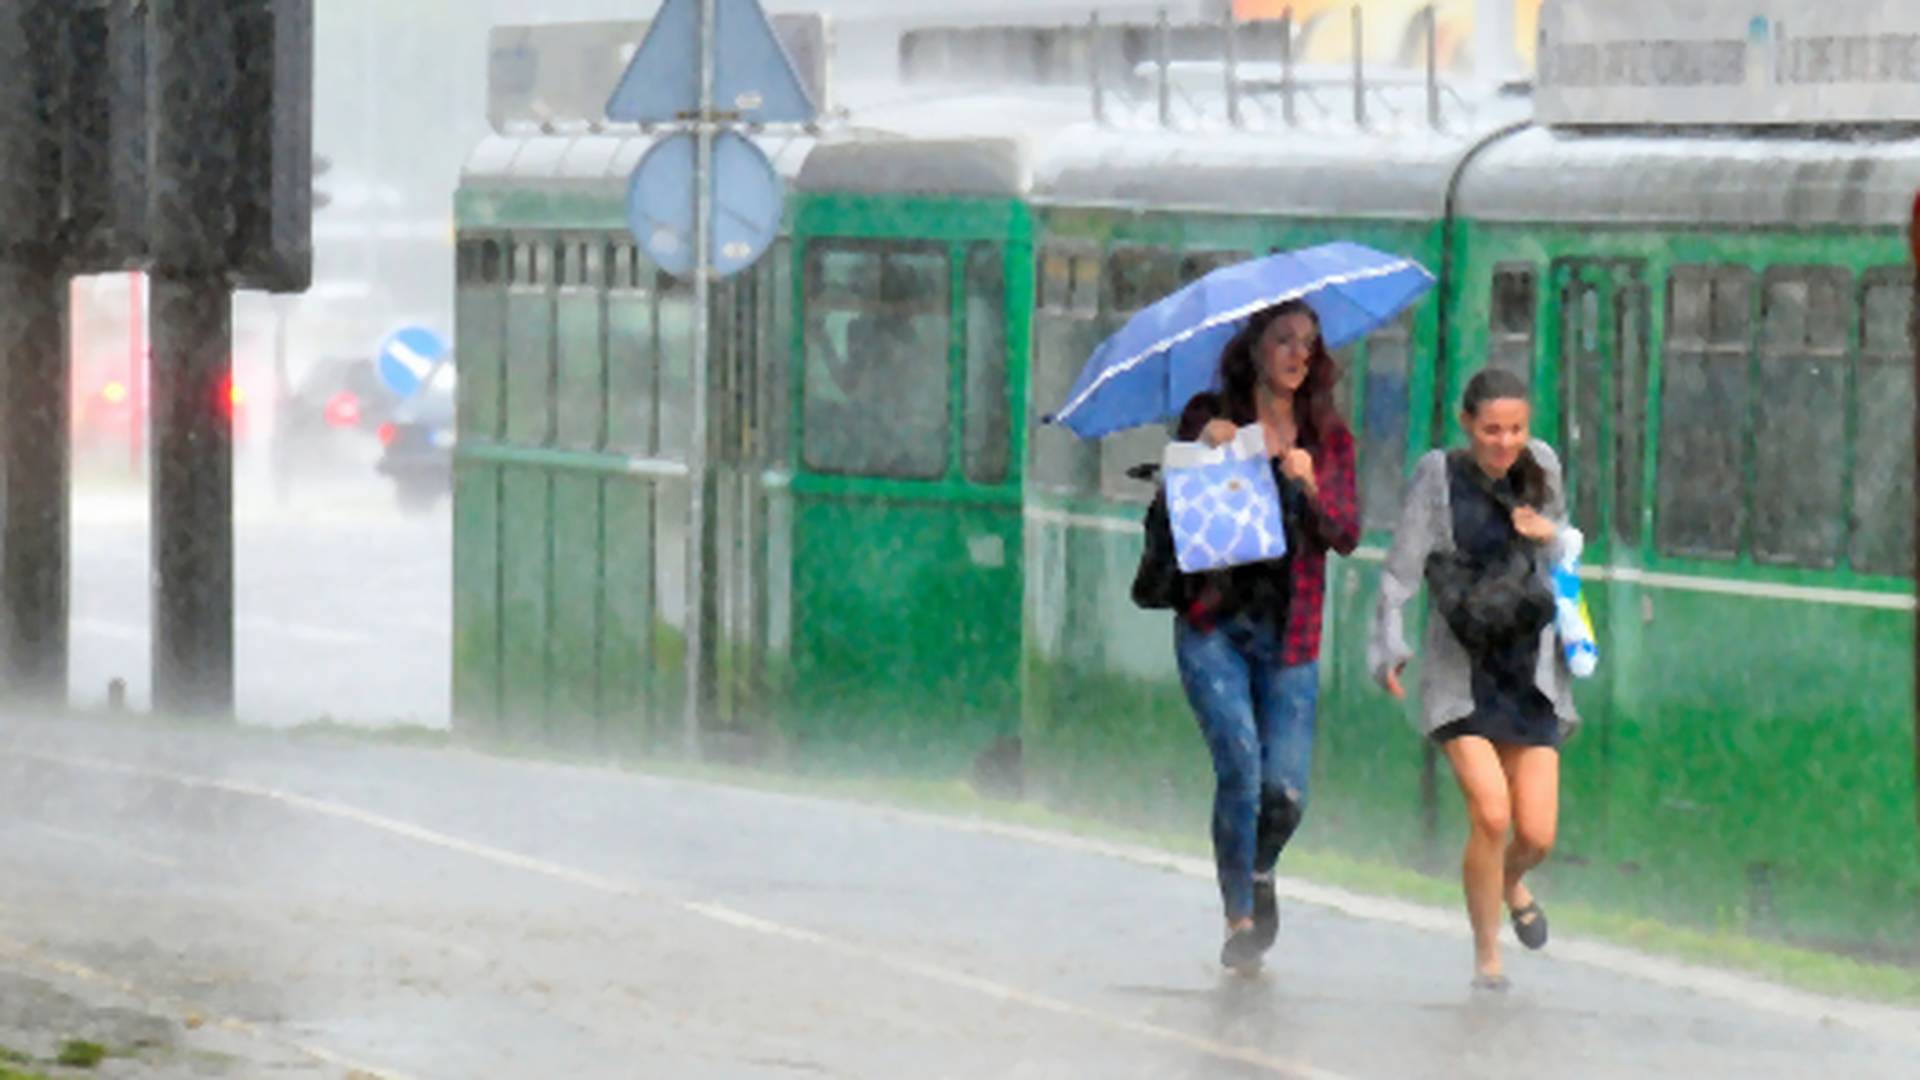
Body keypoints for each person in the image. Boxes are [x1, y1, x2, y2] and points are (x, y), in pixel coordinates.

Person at [1161, 299, 1360, 974]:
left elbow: (1346, 534)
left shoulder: (1329, 439)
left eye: (1308, 344)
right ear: (1255, 349)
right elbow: (1174, 505)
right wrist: (1202, 449)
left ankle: (1261, 867)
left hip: (1292, 633)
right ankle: (1239, 916)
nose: (1298, 355)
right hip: (1214, 622)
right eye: (1283, 341)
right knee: (1241, 764)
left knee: (1286, 790)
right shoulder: (1209, 416)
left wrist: (1309, 486)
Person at [1368, 367, 1575, 991]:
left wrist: (1553, 536)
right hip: (1463, 671)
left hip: (1530, 673)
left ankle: (1511, 880)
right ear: (1467, 425)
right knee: (1491, 813)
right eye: (1491, 430)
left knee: (1536, 832)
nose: (1504, 442)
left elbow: (1567, 555)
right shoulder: (1438, 476)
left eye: (1514, 429)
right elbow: (1401, 567)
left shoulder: (1542, 467)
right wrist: (1389, 644)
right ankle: (1488, 953)